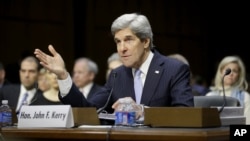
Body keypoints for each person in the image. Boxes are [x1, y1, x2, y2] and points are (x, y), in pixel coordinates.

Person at [34, 13, 194, 119]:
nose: (121, 48)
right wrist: (63, 76)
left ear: (146, 42)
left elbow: (186, 115)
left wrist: (143, 111)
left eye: (129, 39)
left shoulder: (174, 69)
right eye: (118, 41)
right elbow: (88, 110)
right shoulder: (117, 74)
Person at [206, 55, 250, 124]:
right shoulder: (209, 96)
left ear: (239, 75)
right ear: (220, 72)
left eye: (235, 71)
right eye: (228, 70)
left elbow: (248, 123)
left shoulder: (245, 96)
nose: (231, 74)